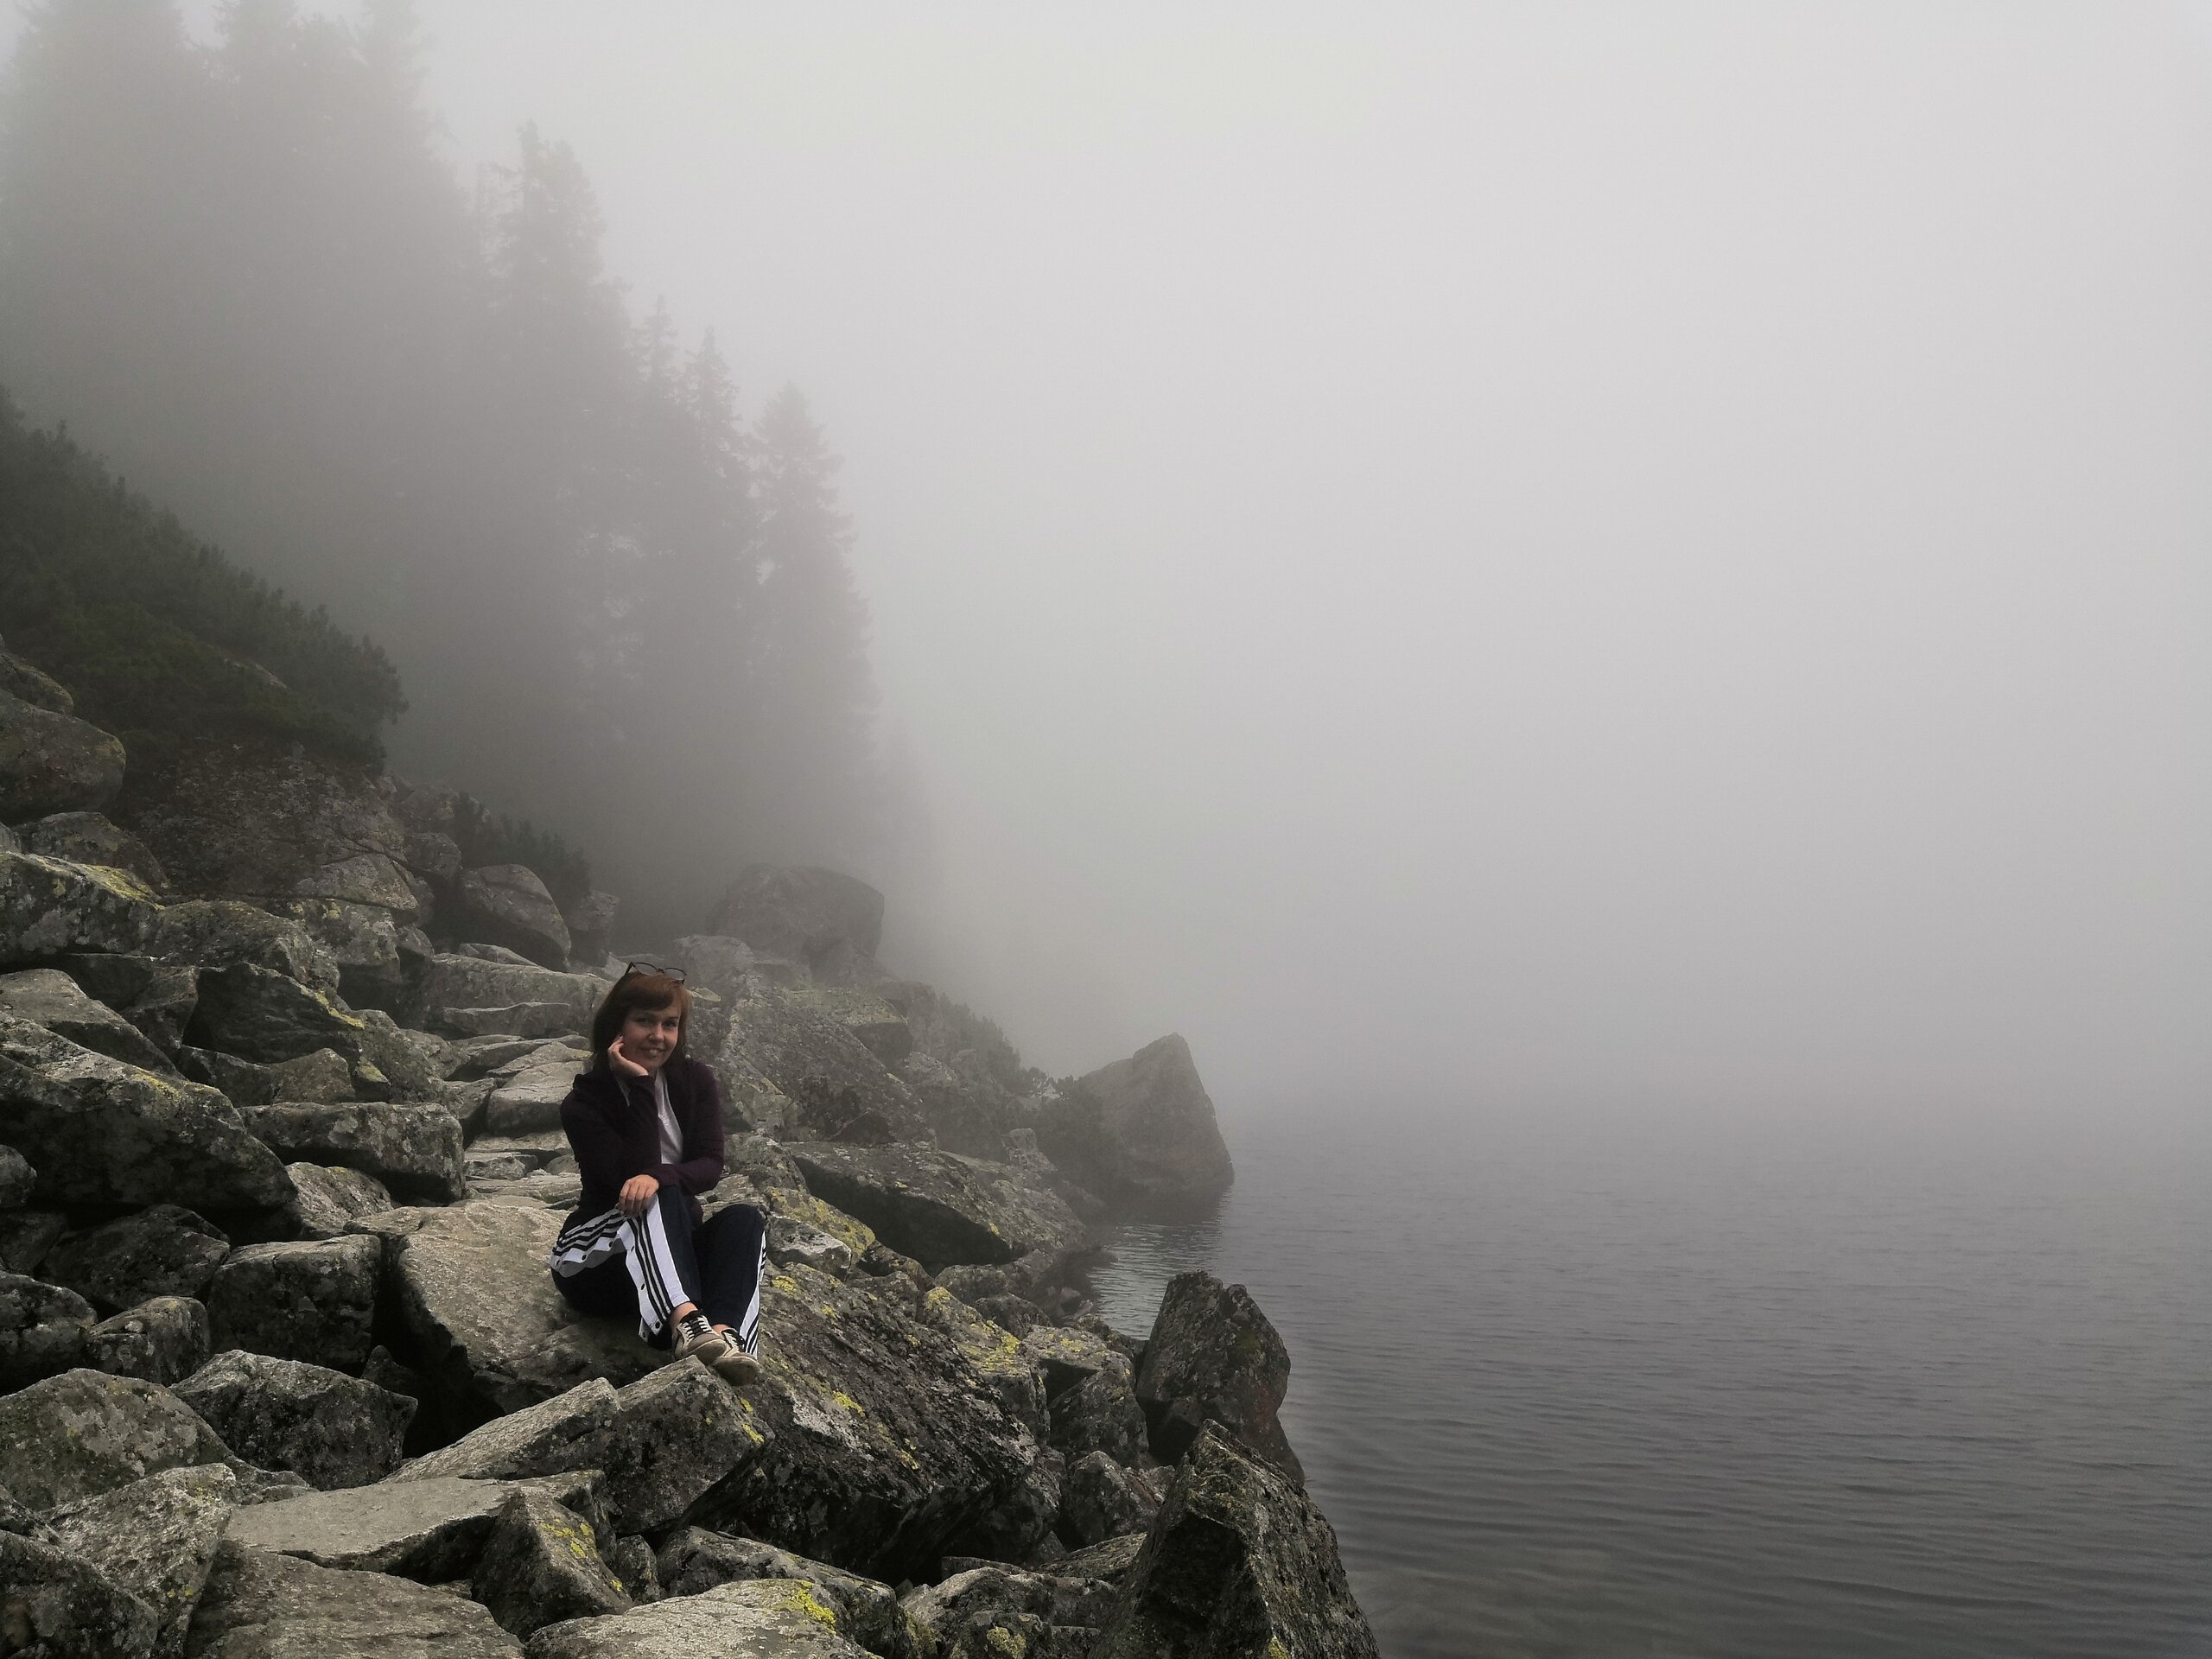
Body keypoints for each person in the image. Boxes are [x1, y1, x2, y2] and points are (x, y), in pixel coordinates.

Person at [547, 964, 765, 1383]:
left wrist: (663, 1178)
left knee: (745, 1219)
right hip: (595, 1260)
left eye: (670, 1024)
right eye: (644, 1021)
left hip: (669, 1250)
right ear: (617, 1026)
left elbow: (710, 1164)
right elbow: (630, 1182)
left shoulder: (696, 1080)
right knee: (651, 1189)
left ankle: (725, 1337)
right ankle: (686, 1324)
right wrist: (642, 1087)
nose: (658, 1035)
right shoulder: (584, 1104)